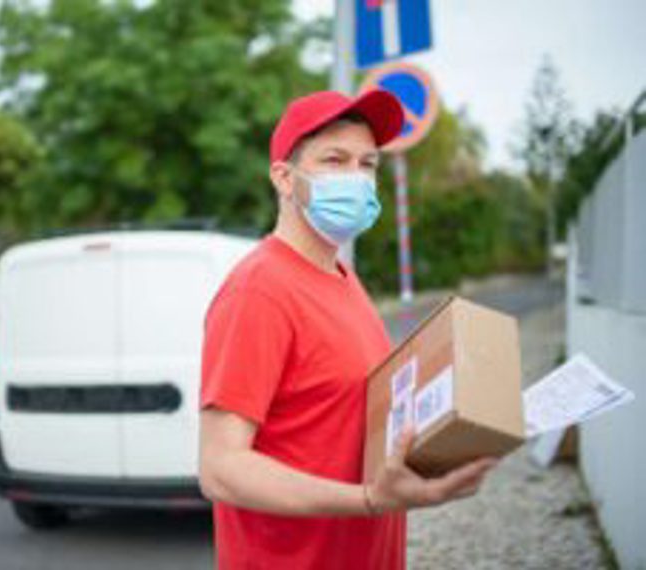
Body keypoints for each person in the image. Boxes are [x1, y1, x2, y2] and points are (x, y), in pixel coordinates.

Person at [198, 90, 499, 570]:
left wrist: (445, 437)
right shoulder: (258, 291)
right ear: (284, 177)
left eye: (367, 164)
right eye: (335, 160)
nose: (356, 179)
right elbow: (221, 469)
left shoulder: (342, 276)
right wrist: (368, 500)